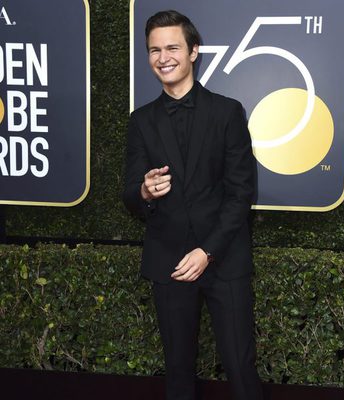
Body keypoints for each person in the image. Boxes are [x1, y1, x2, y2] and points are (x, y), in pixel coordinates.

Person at [123, 10, 263, 400]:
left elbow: (241, 194)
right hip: (168, 260)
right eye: (154, 50)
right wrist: (145, 191)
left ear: (194, 51)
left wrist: (208, 251)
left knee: (239, 366)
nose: (162, 57)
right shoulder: (141, 121)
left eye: (172, 47)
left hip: (224, 259)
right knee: (178, 370)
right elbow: (129, 193)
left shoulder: (227, 112)